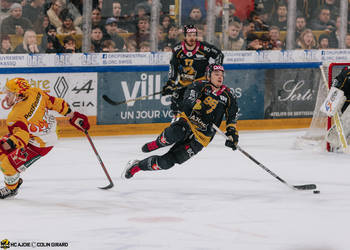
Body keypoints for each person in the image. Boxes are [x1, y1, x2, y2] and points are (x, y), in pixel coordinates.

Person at [122, 64, 239, 179]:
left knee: (167, 162)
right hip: (188, 122)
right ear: (208, 76)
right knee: (173, 134)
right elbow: (189, 101)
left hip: (202, 137)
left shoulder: (229, 95)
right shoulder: (199, 85)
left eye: (222, 75)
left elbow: (232, 117)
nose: (220, 77)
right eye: (216, 74)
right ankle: (157, 143)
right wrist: (201, 108)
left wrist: (232, 135)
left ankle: (136, 166)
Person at [0, 78, 90, 199]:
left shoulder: (15, 116)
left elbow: (22, 138)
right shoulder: (35, 92)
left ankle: (12, 189)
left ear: (19, 95)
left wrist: (4, 145)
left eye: (10, 94)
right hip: (46, 132)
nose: (6, 97)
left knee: (7, 165)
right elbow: (54, 102)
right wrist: (73, 116)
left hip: (40, 145)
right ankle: (14, 178)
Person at [163, 24, 224, 116]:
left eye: (194, 35)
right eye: (189, 35)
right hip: (184, 83)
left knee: (198, 107)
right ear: (185, 36)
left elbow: (219, 55)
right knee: (176, 104)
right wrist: (170, 82)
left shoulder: (204, 48)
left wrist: (214, 71)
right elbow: (173, 66)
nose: (192, 38)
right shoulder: (177, 49)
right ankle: (177, 124)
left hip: (200, 84)